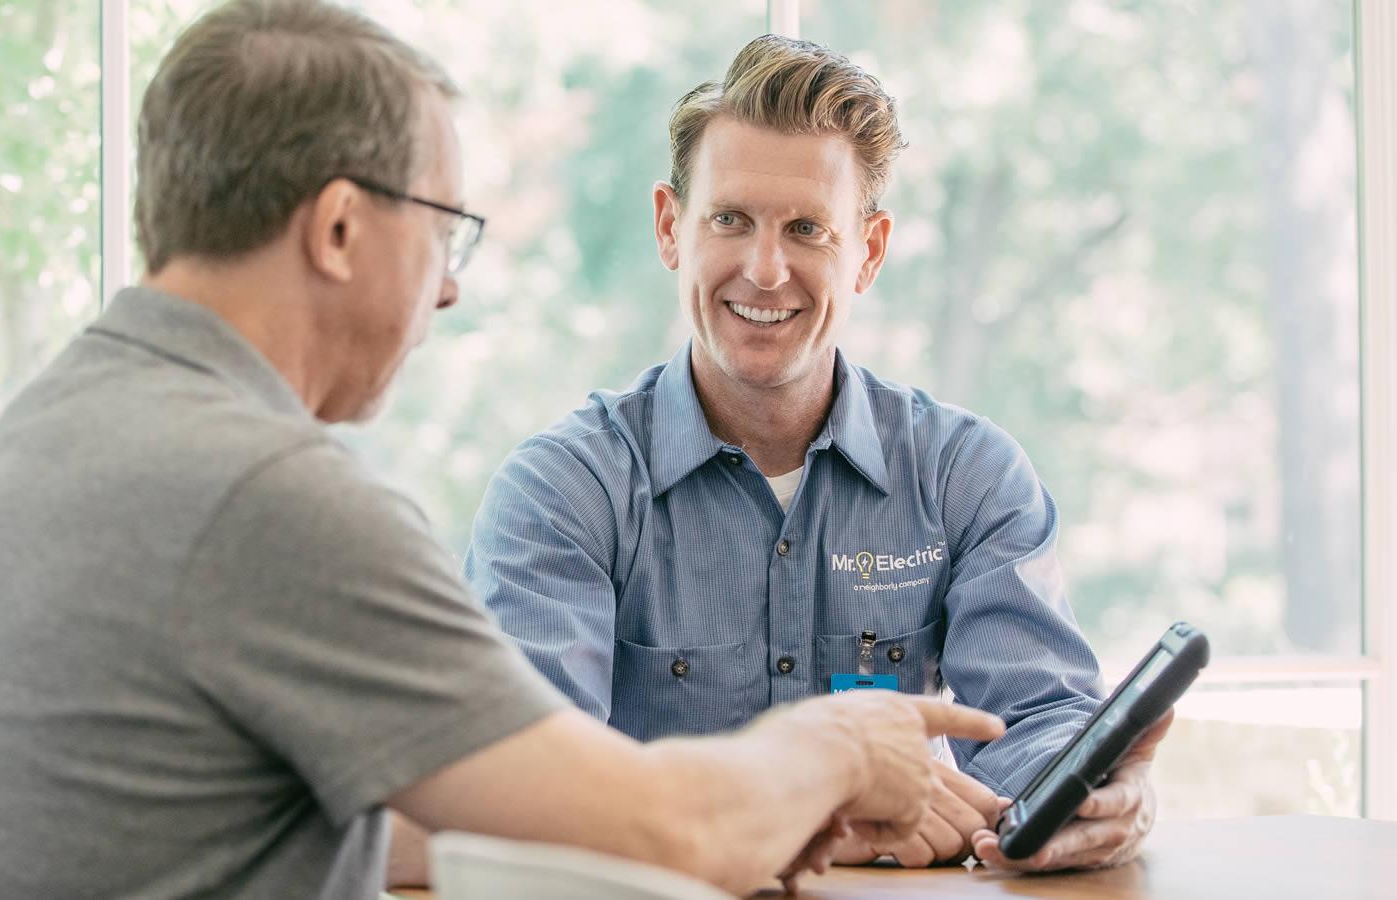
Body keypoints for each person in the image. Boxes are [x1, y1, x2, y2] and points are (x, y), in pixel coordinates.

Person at [0, 4, 1003, 898]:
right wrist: (842, 745)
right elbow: (649, 834)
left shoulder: (66, 426)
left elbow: (406, 824)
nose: (447, 291)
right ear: (340, 229)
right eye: (444, 232)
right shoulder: (267, 496)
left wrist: (758, 818)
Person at [466, 34, 1164, 874]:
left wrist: (1088, 790)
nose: (766, 269)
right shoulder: (562, 493)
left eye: (807, 229)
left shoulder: (966, 477)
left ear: (867, 252)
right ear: (669, 227)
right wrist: (816, 796)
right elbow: (526, 786)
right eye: (730, 220)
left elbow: (1037, 722)